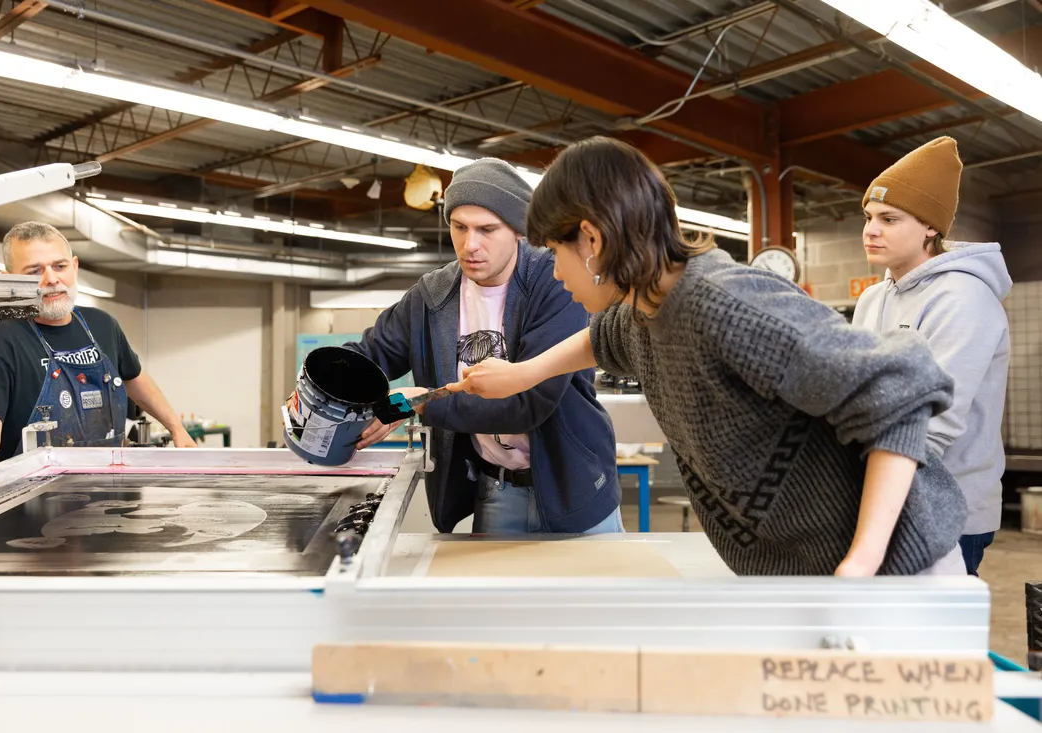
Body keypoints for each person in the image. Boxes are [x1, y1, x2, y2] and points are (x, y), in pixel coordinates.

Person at [450, 136, 968, 576]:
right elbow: (605, 338)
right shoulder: (648, 310)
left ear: (592, 239)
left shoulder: (722, 304)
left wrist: (861, 564)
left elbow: (898, 388)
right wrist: (521, 374)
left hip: (894, 569)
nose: (556, 274)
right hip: (806, 574)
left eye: (556, 254)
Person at [343, 158, 621, 535]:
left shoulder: (556, 283)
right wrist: (316, 387)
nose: (470, 245)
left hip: (574, 491)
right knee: (492, 597)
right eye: (460, 227)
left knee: (588, 596)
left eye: (487, 229)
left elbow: (527, 403)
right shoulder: (432, 297)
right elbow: (368, 357)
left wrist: (420, 401)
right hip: (496, 491)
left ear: (519, 231)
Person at [853, 137, 1011, 576]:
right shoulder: (871, 300)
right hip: (879, 494)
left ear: (929, 227)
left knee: (930, 637)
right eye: (868, 217)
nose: (870, 229)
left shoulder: (964, 298)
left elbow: (934, 422)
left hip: (947, 504)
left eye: (889, 218)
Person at [0, 221, 196, 477]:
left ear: (74, 266)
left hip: (109, 498)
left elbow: (134, 378)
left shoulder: (102, 325)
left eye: (60, 266)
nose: (52, 279)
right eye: (35, 271)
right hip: (33, 508)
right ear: (10, 279)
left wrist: (176, 428)